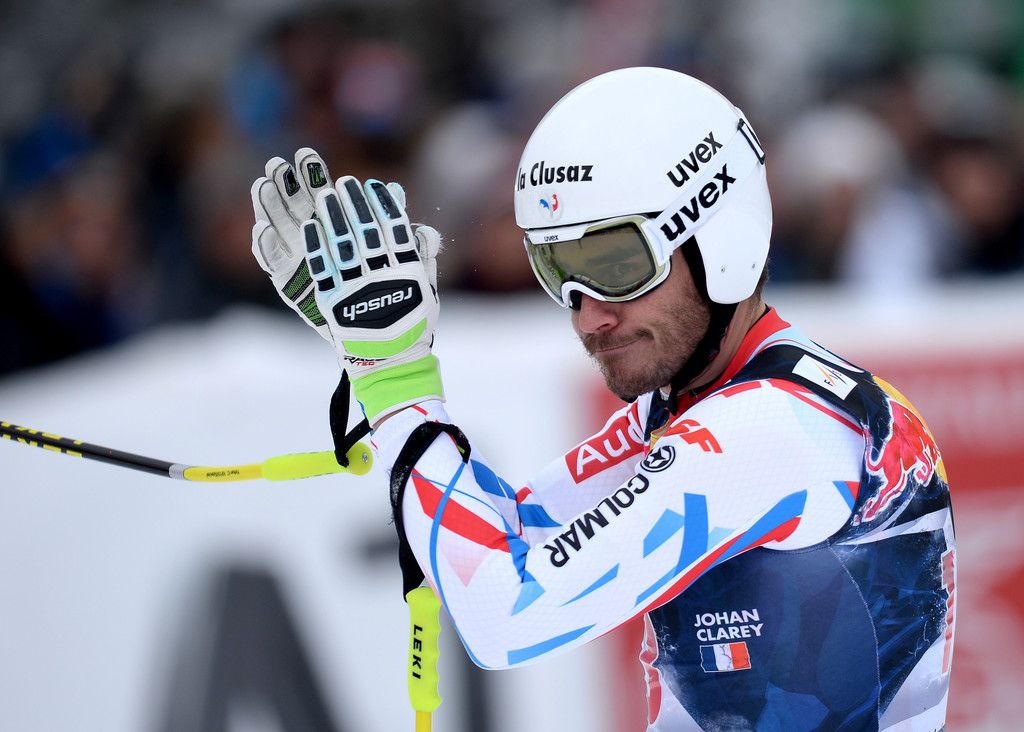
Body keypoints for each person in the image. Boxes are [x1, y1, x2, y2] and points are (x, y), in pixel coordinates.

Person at [251, 68, 956, 731]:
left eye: (616, 265)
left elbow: (505, 614)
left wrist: (395, 377)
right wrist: (371, 359)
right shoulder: (706, 403)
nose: (588, 315)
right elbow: (509, 536)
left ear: (720, 237)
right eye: (557, 268)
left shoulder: (776, 428)